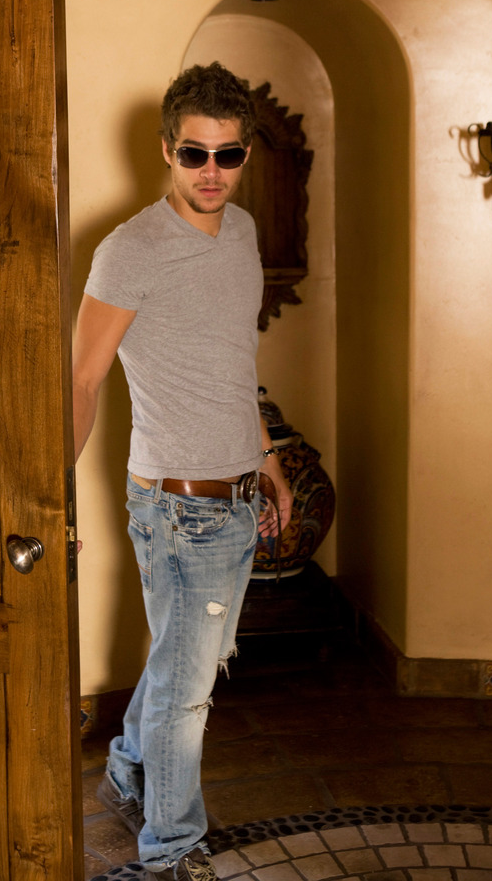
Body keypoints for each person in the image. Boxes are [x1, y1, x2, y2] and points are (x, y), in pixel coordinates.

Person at [72, 61, 293, 881]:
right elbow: (82, 380)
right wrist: (55, 491)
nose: (211, 172)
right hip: (178, 508)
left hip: (236, 495)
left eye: (227, 155)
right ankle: (170, 850)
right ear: (167, 149)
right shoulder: (130, 251)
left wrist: (266, 459)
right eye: (194, 153)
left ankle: (129, 768)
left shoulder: (243, 234)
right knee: (188, 690)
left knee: (185, 666)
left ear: (245, 155)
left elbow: (234, 365)